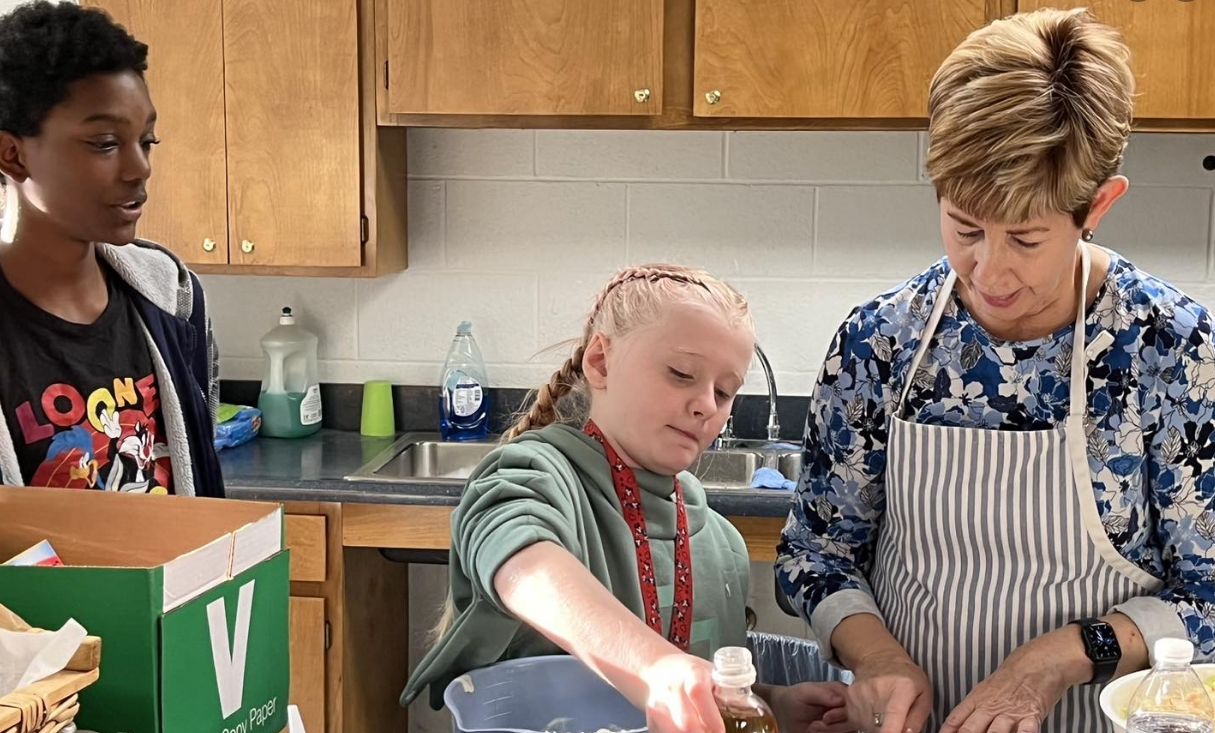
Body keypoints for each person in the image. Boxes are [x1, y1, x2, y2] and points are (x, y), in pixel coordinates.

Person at [776, 8, 1215, 733]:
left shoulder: (1172, 353)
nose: (989, 268)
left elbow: (1210, 595)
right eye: (964, 227)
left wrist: (1057, 658)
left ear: (1096, 206)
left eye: (1025, 236)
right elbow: (816, 554)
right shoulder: (879, 340)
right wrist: (879, 658)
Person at [403, 264, 850, 733]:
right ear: (600, 362)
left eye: (724, 391)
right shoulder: (534, 474)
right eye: (681, 374)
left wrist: (768, 702)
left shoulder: (722, 543)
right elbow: (522, 567)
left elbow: (690, 687)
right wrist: (653, 668)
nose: (705, 404)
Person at [0, 1, 223, 497]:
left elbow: (201, 480)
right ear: (13, 155)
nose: (139, 168)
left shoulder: (173, 297)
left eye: (147, 140)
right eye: (104, 143)